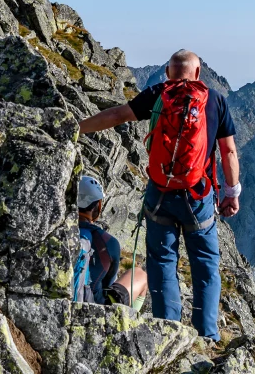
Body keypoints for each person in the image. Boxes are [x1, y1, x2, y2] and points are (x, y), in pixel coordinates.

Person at [77, 49, 241, 340]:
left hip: (160, 194)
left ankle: (168, 331)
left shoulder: (158, 94)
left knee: (162, 260)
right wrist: (231, 193)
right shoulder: (214, 100)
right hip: (197, 196)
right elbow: (227, 151)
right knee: (204, 263)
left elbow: (117, 115)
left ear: (168, 73)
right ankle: (208, 335)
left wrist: (76, 129)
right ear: (198, 73)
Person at [75, 175, 148, 308]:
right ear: (97, 205)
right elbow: (108, 284)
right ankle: (129, 323)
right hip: (93, 305)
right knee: (139, 274)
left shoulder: (58, 230)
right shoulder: (108, 242)